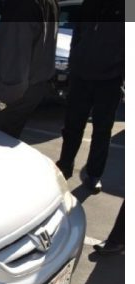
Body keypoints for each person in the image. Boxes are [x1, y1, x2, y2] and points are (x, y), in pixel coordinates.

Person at [55, 0, 124, 193]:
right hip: (80, 76)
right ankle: (65, 165)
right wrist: (73, 62)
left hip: (110, 80)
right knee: (72, 126)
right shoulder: (90, 4)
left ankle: (94, 175)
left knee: (102, 131)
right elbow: (78, 34)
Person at [0, 0, 58, 138]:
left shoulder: (21, 6)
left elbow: (15, 52)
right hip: (32, 85)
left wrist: (5, 96)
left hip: (14, 89)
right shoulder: (48, 3)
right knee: (6, 140)